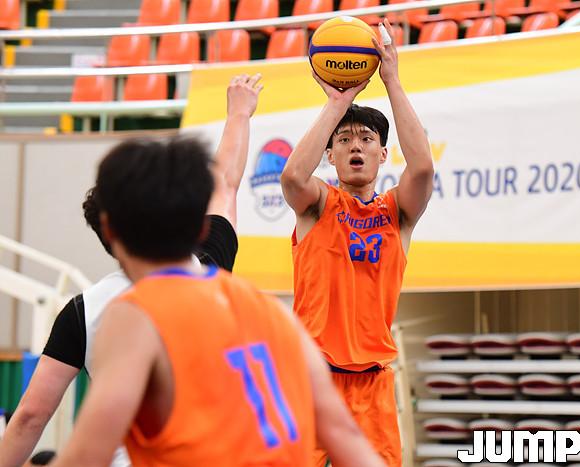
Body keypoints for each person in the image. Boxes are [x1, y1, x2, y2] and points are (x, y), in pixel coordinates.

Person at [50, 136, 384, 467]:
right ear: (201, 228)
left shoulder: (135, 314)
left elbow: (87, 455)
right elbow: (345, 435)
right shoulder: (269, 310)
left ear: (108, 230)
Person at [0, 74, 262, 467]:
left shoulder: (84, 311)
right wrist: (239, 114)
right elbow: (225, 184)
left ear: (107, 233)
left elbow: (30, 417)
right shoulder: (211, 270)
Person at [280, 19, 434, 467]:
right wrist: (338, 103)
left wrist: (392, 81)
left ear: (382, 155)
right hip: (313, 379)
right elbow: (292, 177)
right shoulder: (317, 205)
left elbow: (423, 169)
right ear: (330, 155)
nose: (356, 146)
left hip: (372, 384)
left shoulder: (397, 212)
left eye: (367, 139)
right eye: (344, 140)